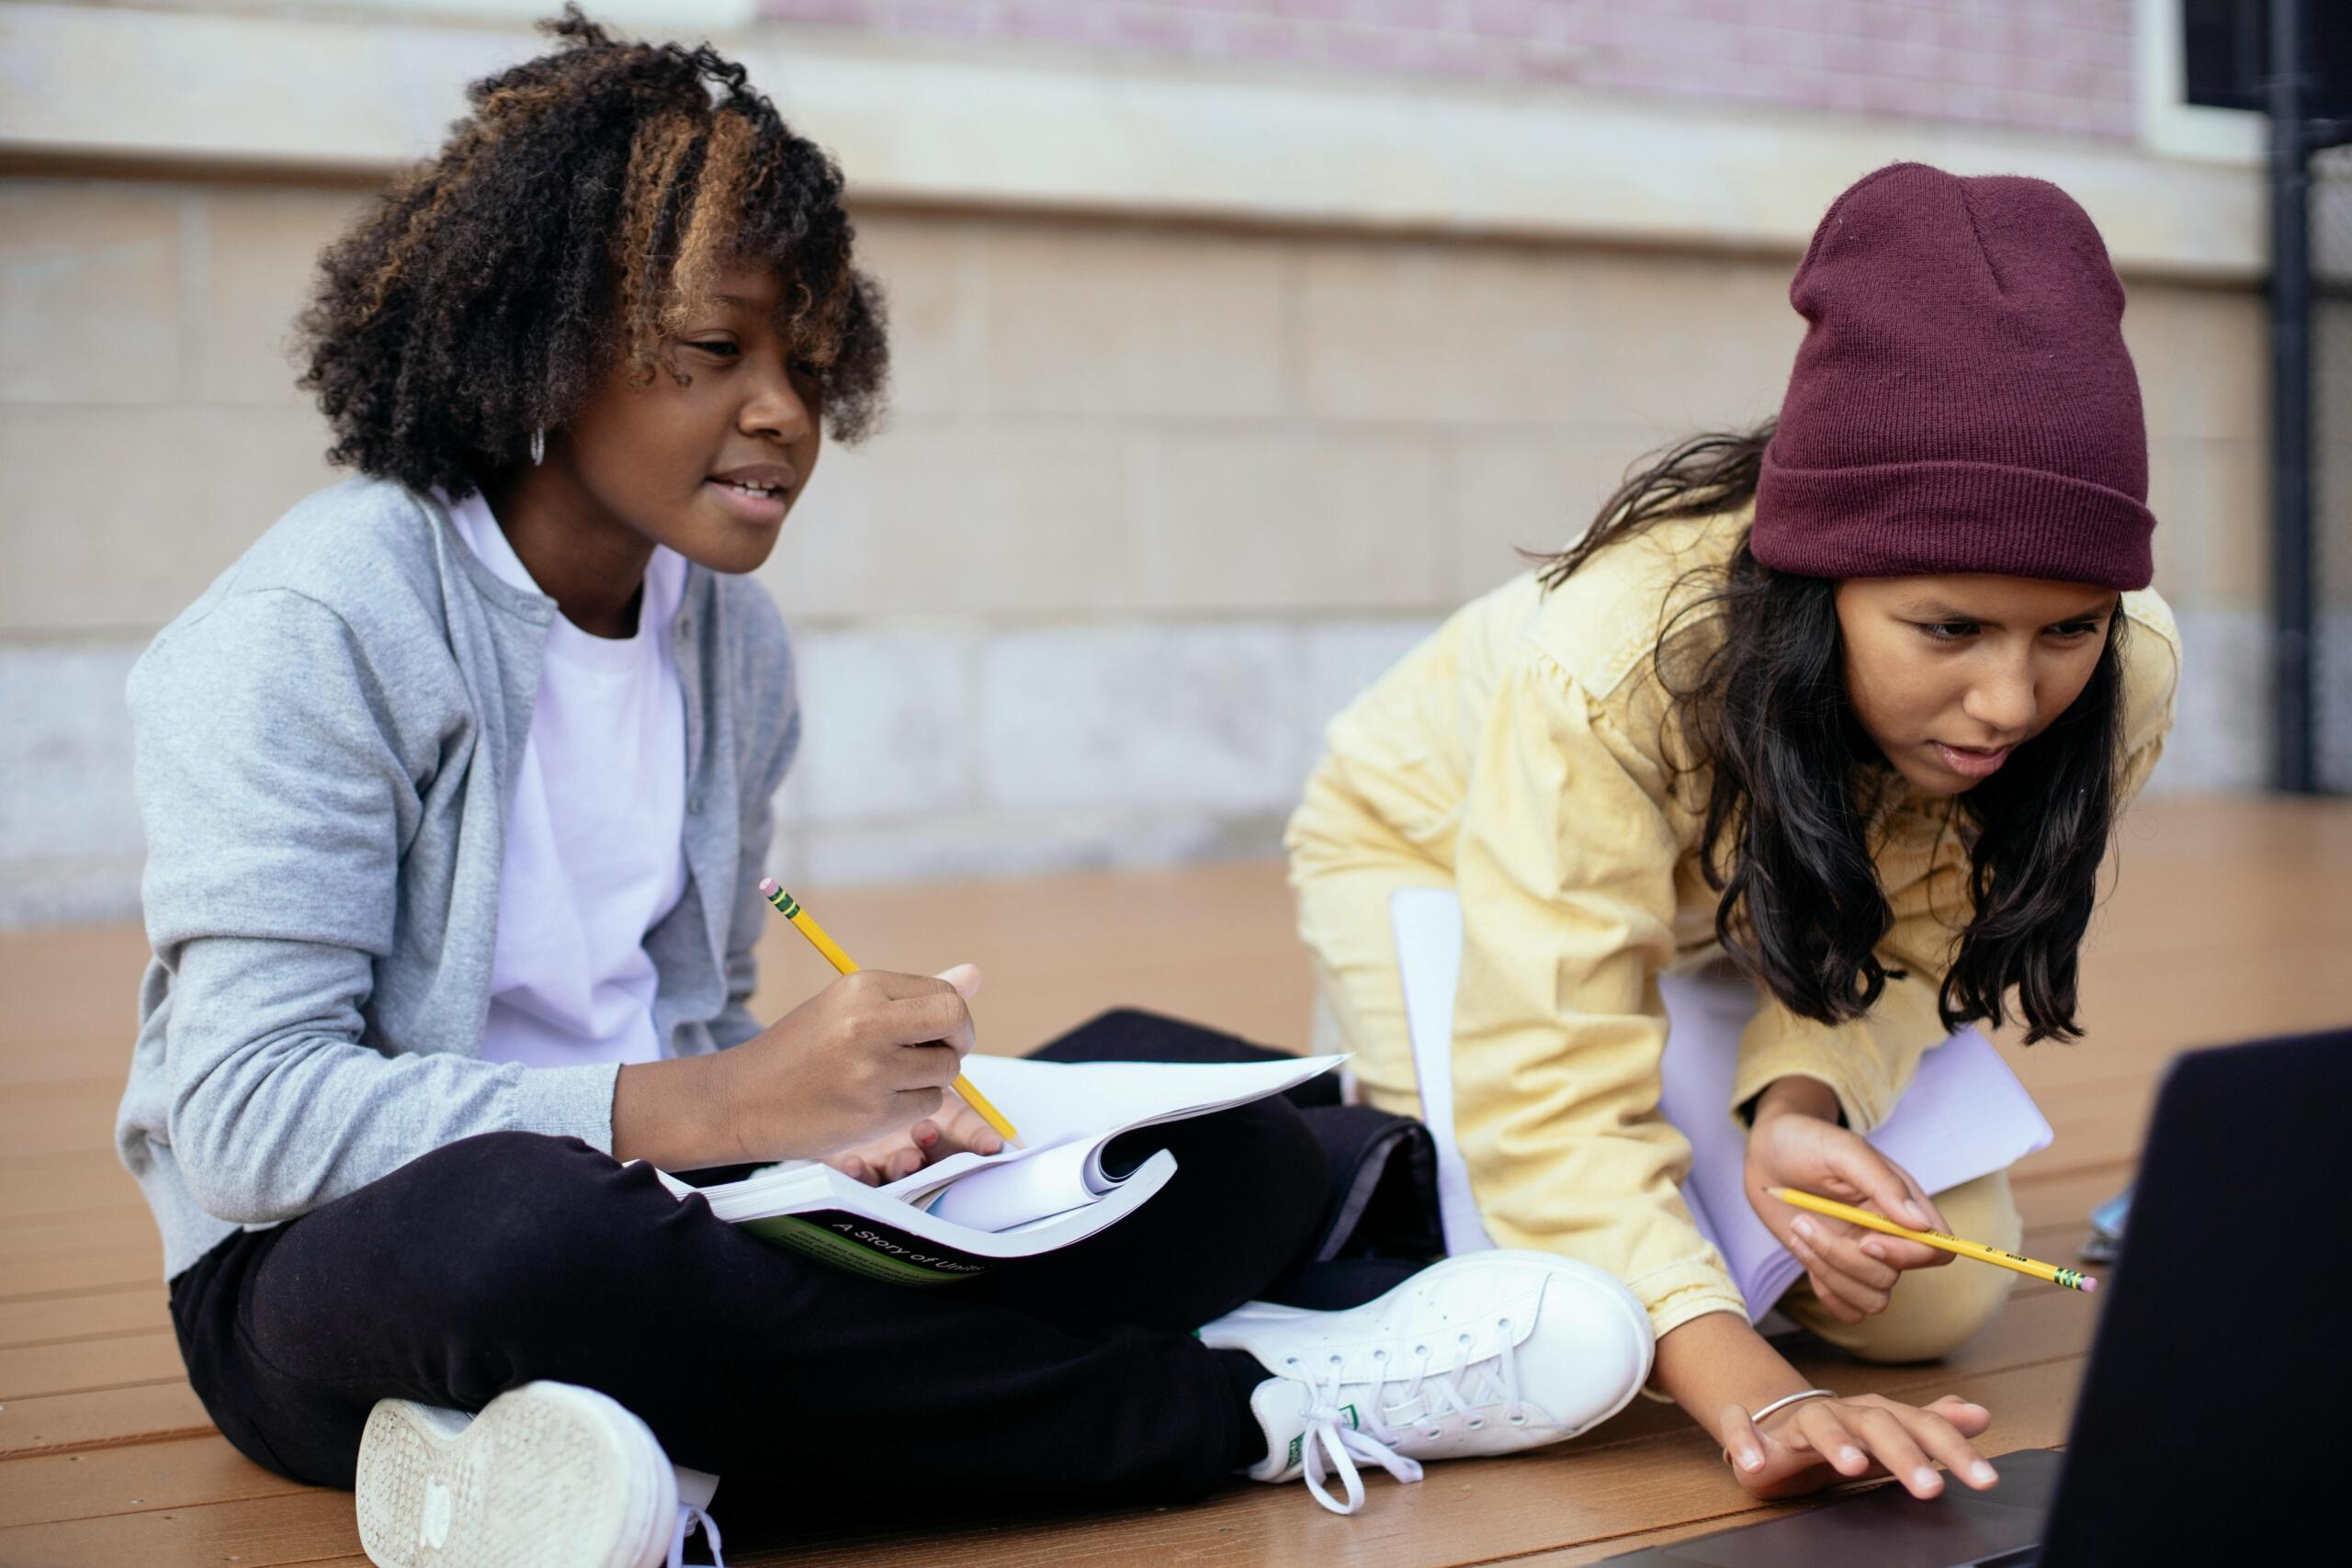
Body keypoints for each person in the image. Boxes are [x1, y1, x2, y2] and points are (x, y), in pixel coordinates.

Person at [115, 14, 1652, 1566]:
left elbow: (689, 1014)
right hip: (341, 1267)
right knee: (529, 1240)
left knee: (1228, 1137)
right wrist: (720, 1105)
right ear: (538, 335)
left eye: (810, 361)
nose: (783, 412)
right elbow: (247, 1121)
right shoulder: (313, 632)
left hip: (675, 1211)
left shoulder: (725, 638)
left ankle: (616, 1473)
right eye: (716, 352)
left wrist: (838, 1136)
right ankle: (1240, 1407)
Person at [1286, 162, 2178, 1506]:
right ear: (1815, 592)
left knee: (1927, 1300)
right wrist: (1759, 1397)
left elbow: (1930, 927)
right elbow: (1548, 1076)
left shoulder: (2131, 668)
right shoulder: (1612, 660)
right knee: (1537, 1297)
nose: (2009, 702)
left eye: (2067, 628)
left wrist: (1799, 1100)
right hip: (1432, 851)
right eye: (1948, 629)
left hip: (1745, 899)